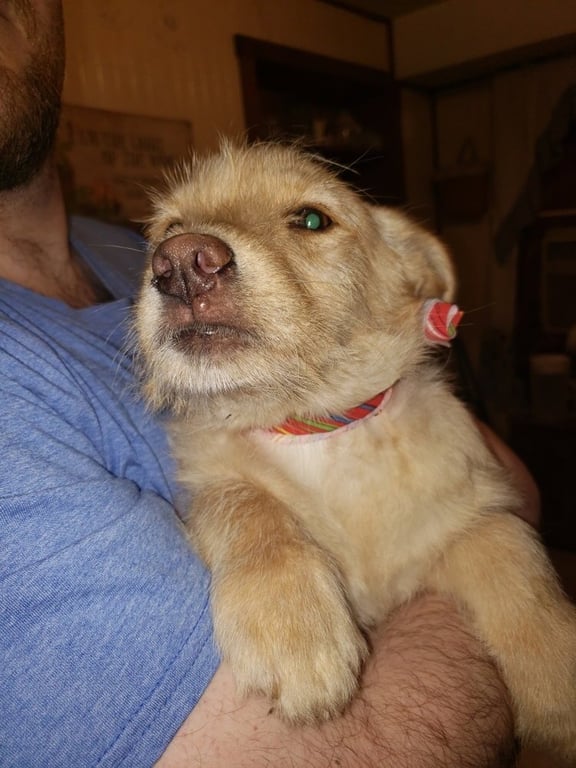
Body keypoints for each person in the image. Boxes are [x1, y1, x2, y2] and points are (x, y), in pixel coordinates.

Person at [0, 2, 539, 766]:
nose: (186, 261)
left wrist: (488, 525)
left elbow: (505, 483)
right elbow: (511, 489)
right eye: (171, 237)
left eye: (308, 219)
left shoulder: (116, 250)